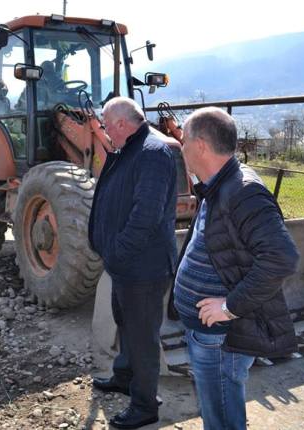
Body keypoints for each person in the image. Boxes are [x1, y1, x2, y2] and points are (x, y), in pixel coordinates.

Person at [174, 107, 299, 430]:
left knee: (224, 416)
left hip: (222, 336)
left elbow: (282, 258)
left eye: (184, 140)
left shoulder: (243, 192)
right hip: (207, 332)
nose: (181, 147)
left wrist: (229, 307)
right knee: (217, 411)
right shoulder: (217, 185)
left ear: (200, 145)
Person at [87, 97, 177, 429]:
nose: (105, 131)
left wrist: (117, 251)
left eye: (107, 125)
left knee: (142, 337)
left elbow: (146, 216)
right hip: (125, 265)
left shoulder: (153, 153)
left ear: (123, 124)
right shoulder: (131, 149)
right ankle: (124, 377)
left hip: (143, 268)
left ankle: (145, 405)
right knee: (126, 324)